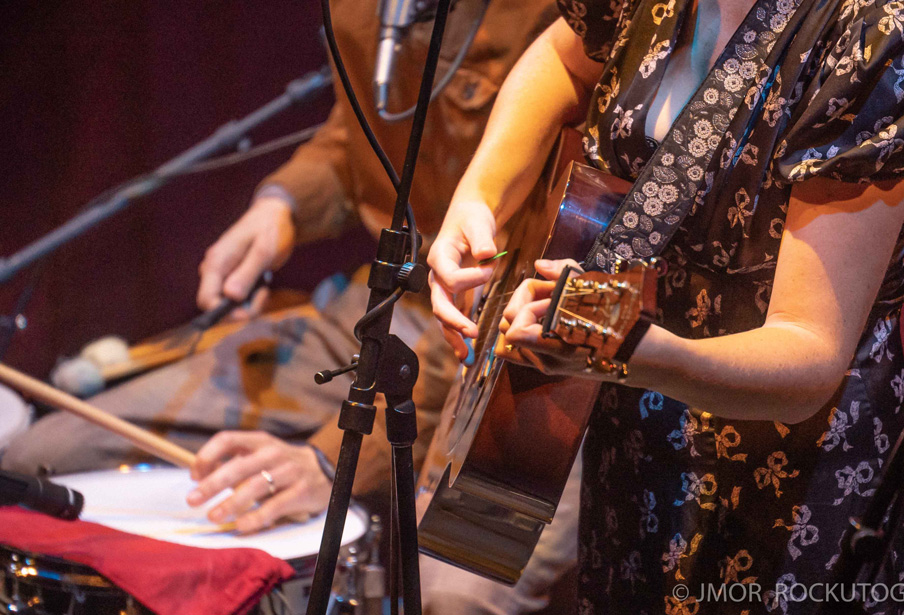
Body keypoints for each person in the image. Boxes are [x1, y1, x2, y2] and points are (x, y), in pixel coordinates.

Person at [3, 0, 583, 613]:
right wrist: (280, 206)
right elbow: (350, 139)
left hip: (512, 334)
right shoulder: (361, 10)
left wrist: (327, 462)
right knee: (44, 456)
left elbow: (495, 294)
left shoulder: (559, 21)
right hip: (389, 313)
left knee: (450, 596)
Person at [427, 0, 904, 612]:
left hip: (784, 492)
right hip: (631, 438)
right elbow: (563, 56)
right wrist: (480, 196)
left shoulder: (881, 27)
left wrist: (623, 346)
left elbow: (810, 354)